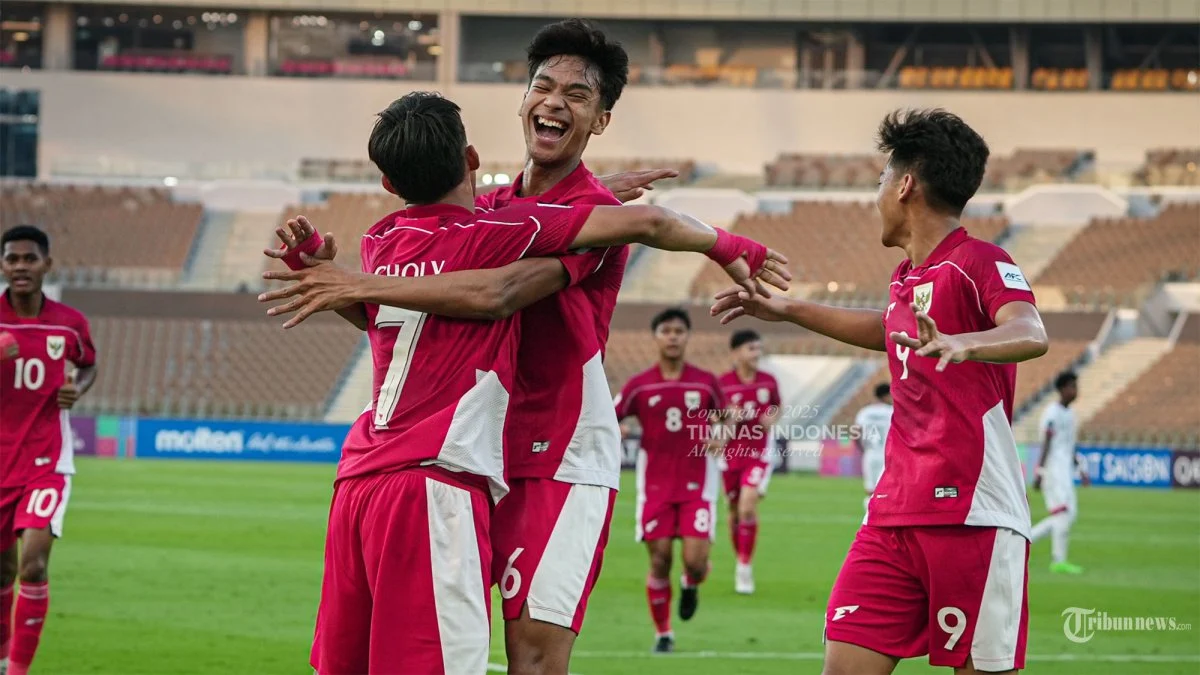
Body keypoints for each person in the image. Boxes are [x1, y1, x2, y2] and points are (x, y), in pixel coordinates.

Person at [258, 91, 788, 674]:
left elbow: (386, 313)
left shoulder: (380, 241)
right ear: (473, 157)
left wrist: (334, 276)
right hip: (431, 483)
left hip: (357, 483)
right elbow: (643, 225)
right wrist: (734, 244)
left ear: (388, 183)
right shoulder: (496, 233)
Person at [712, 108, 1049, 675]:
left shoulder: (980, 261)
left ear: (905, 185)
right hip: (892, 512)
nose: (877, 195)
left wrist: (967, 343)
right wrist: (788, 310)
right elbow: (885, 330)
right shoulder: (907, 279)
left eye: (880, 180)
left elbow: (1029, 330)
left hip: (971, 513)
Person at [0, 226, 97, 675]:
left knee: (32, 565)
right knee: (1, 575)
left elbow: (89, 364)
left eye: (29, 258)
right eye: (12, 259)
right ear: (3, 265)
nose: (21, 266)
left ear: (46, 264)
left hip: (46, 461)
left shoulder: (70, 323)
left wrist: (78, 387)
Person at [615, 308, 726, 653]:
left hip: (697, 483)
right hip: (656, 487)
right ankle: (664, 633)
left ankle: (691, 582)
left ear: (688, 336)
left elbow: (725, 419)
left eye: (679, 331)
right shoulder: (639, 385)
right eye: (666, 330)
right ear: (656, 337)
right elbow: (608, 415)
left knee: (694, 560)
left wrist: (721, 433)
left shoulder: (706, 381)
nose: (673, 336)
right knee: (660, 558)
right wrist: (617, 428)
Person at [716, 328, 780, 594]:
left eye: (758, 348)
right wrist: (727, 417)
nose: (757, 353)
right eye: (751, 348)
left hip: (758, 451)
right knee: (733, 510)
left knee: (746, 506)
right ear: (736, 353)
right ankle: (740, 558)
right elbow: (713, 418)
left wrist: (771, 419)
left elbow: (776, 406)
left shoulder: (768, 381)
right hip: (730, 454)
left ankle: (744, 567)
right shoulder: (722, 383)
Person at [1031, 371, 1088, 574]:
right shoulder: (1052, 413)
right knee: (1062, 513)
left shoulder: (1070, 414)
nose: (1075, 390)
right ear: (1062, 389)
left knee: (1068, 515)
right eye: (1072, 386)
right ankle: (1058, 560)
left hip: (1064, 470)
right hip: (1053, 471)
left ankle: (1025, 539)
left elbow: (1069, 445)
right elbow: (1046, 443)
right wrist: (1040, 471)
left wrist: (1080, 468)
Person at [854, 383, 893, 511]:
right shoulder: (891, 411)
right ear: (887, 395)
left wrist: (863, 449)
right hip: (887, 455)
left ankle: (870, 520)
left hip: (870, 453)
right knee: (887, 491)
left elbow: (856, 433)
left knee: (870, 491)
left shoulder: (865, 412)